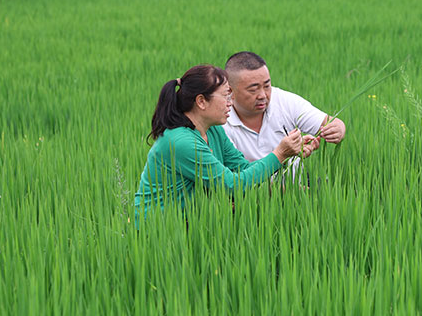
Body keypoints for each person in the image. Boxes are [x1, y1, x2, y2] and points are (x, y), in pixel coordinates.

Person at [134, 65, 314, 225]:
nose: (231, 103)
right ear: (201, 101)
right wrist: (280, 154)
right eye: (226, 96)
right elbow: (232, 185)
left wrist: (289, 154)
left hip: (191, 222)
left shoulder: (213, 130)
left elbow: (241, 168)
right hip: (157, 229)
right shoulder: (181, 141)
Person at [222, 52, 346, 182]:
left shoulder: (284, 101)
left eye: (266, 86)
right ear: (230, 92)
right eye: (253, 90)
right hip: (248, 191)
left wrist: (338, 128)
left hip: (297, 182)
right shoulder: (220, 120)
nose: (263, 95)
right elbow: (232, 179)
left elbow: (329, 122)